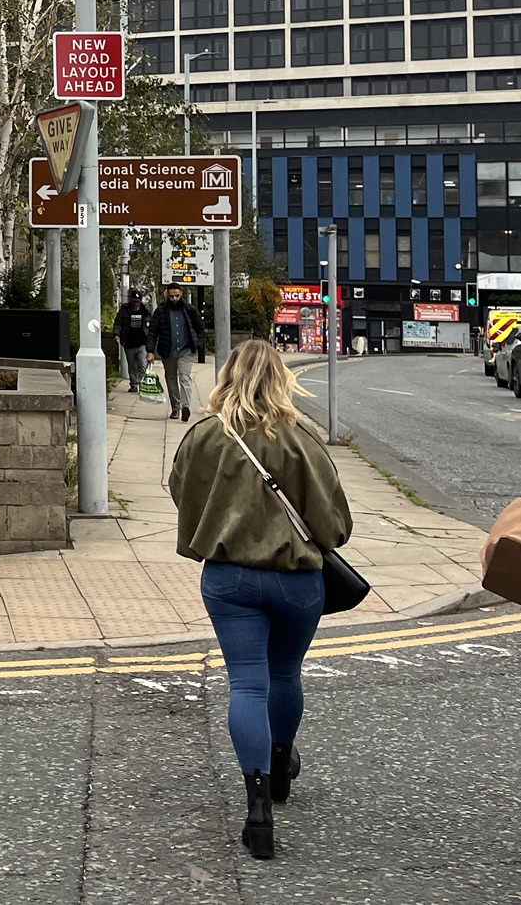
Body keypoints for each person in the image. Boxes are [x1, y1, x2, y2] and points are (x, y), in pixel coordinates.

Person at [169, 339, 352, 862]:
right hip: (296, 581)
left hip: (229, 579)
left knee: (246, 682)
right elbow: (335, 522)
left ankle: (258, 808)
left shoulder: (204, 435)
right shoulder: (301, 438)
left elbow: (180, 491)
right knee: (285, 674)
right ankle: (280, 764)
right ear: (282, 379)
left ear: (227, 376)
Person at [148, 283, 207, 423]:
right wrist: (150, 351)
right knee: (171, 378)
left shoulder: (190, 310)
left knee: (185, 378)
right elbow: (153, 332)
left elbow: (201, 329)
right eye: (171, 296)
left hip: (186, 350)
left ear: (181, 294)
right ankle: (176, 407)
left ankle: (185, 406)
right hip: (167, 350)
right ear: (167, 295)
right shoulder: (161, 311)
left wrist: (197, 345)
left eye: (177, 296)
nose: (174, 299)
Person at [115, 291, 152, 392]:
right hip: (129, 342)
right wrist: (117, 334)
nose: (136, 304)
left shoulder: (145, 311)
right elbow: (118, 323)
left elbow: (150, 326)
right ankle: (134, 384)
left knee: (142, 364)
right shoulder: (124, 310)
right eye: (134, 302)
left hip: (142, 342)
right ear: (131, 301)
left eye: (138, 302)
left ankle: (142, 383)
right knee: (132, 365)